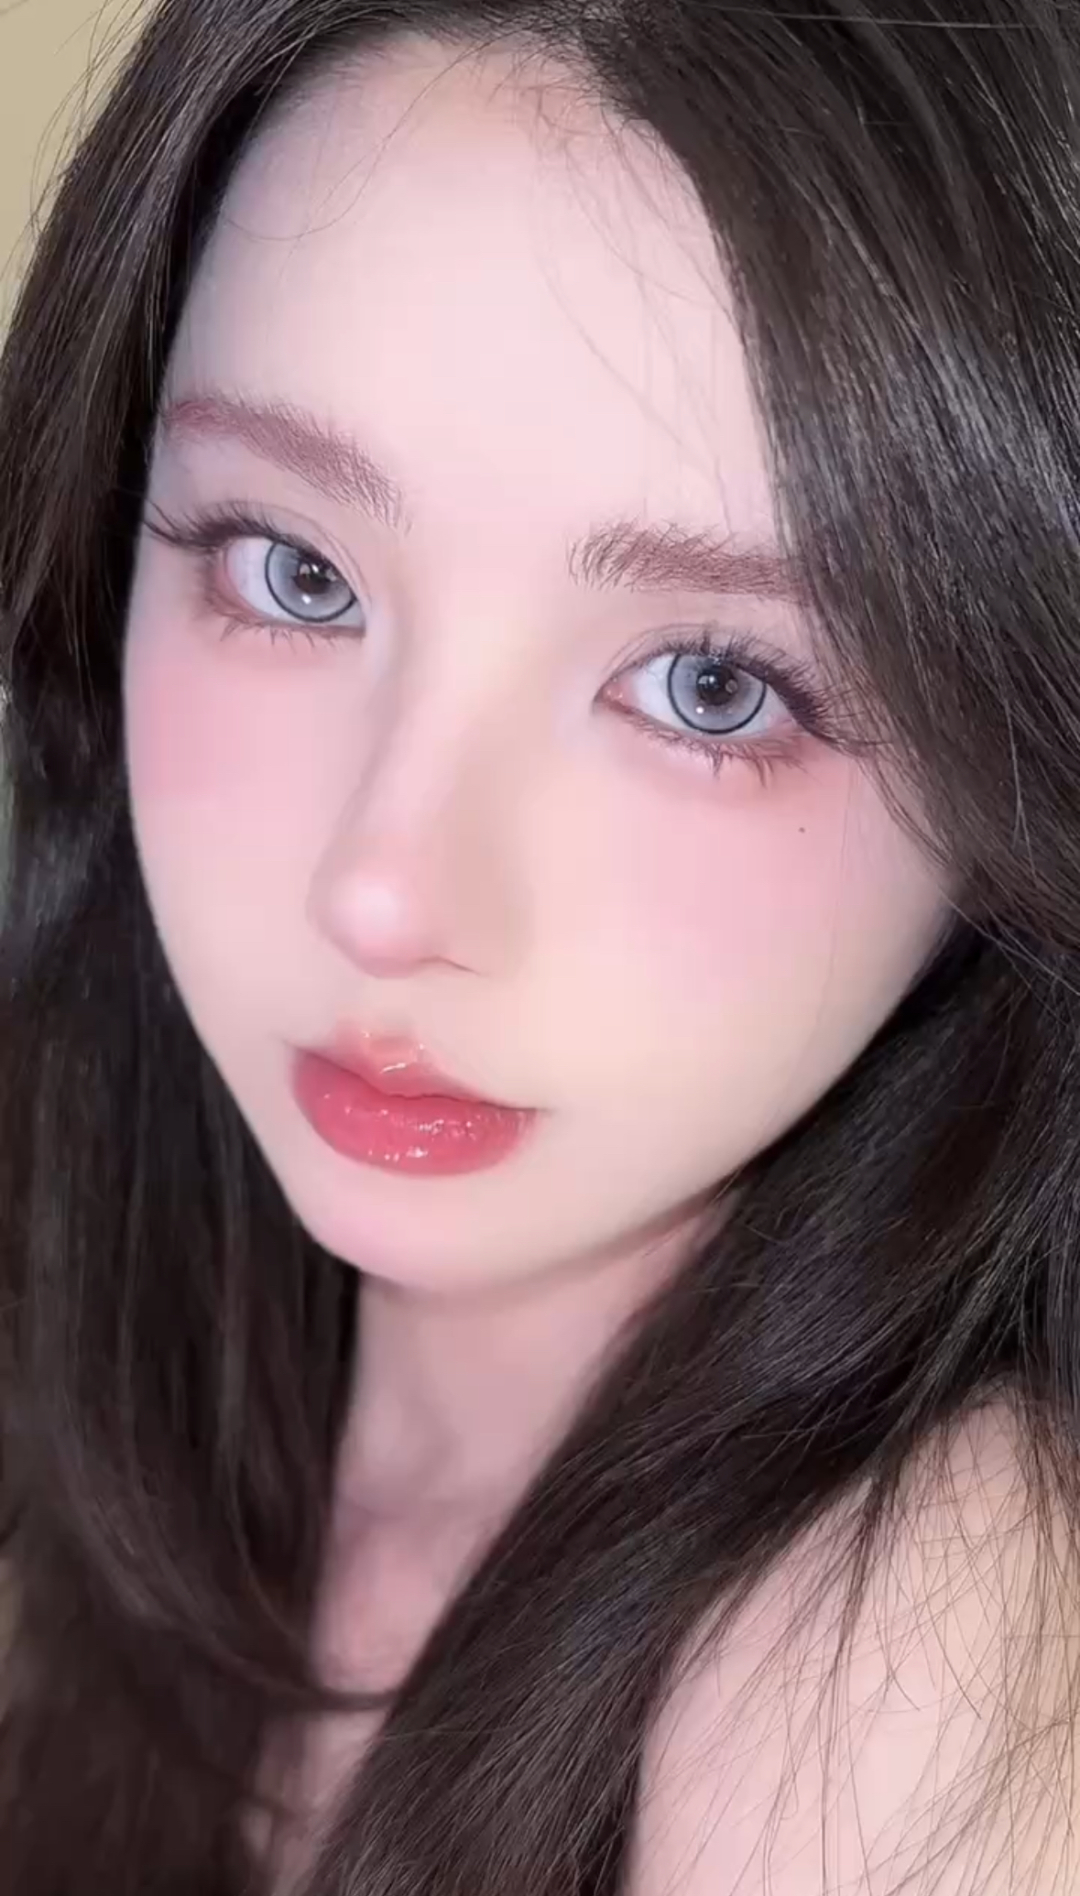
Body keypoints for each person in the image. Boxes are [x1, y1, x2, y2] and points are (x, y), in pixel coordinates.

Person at [1, 0, 1079, 1889]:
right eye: (295, 572)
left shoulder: (925, 1665)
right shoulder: (85, 1372)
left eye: (712, 684)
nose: (387, 891)